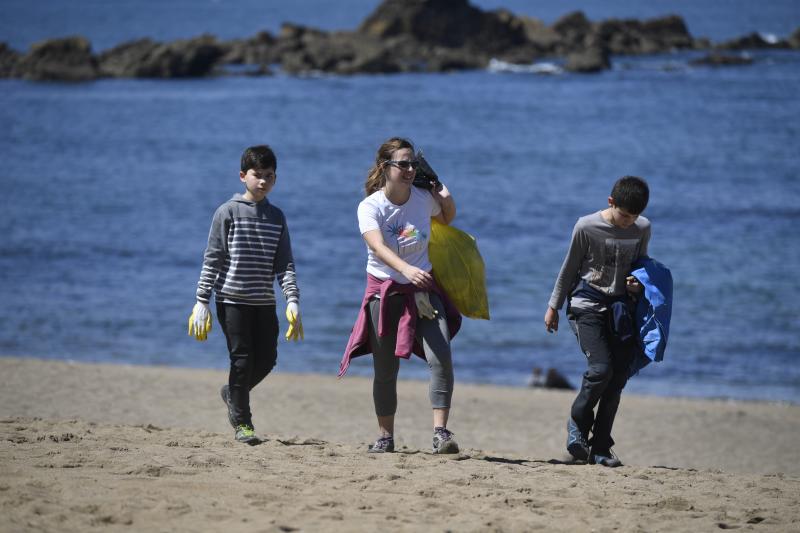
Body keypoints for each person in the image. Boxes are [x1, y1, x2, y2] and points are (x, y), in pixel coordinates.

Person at [339, 137, 462, 454]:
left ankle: (440, 434)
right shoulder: (371, 207)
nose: (410, 170)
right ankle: (385, 436)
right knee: (385, 370)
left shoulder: (422, 198)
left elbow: (447, 216)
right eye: (403, 164)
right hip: (386, 293)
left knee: (441, 358)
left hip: (423, 292)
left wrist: (443, 192)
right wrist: (405, 270)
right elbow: (377, 247)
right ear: (385, 167)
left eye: (413, 164)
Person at [188, 145, 303, 444]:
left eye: (269, 176)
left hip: (264, 301)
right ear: (243, 176)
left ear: (275, 178)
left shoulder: (277, 217)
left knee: (267, 359)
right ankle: (243, 423)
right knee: (241, 360)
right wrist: (201, 301)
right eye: (257, 175)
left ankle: (232, 394)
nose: (262, 181)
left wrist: (292, 299)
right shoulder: (227, 212)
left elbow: (284, 263)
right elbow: (212, 258)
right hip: (231, 299)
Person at [543, 176, 651, 467]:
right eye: (624, 215)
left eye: (635, 216)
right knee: (601, 369)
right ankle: (577, 424)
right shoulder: (586, 226)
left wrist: (637, 285)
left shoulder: (642, 228)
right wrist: (553, 306)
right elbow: (568, 269)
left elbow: (641, 267)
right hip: (585, 305)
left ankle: (601, 448)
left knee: (616, 380)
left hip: (620, 309)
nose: (629, 222)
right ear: (611, 202)